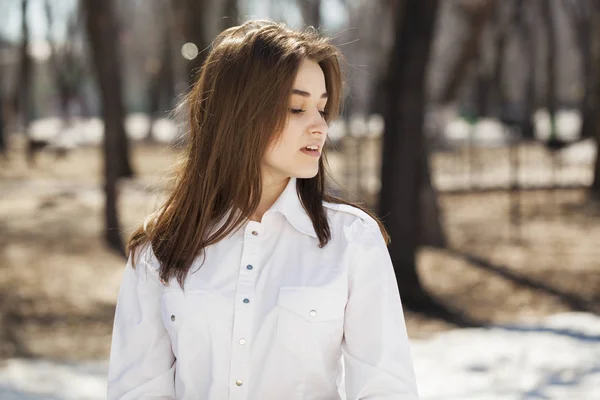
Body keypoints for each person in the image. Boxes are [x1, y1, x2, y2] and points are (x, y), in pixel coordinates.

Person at [107, 19, 418, 400]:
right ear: (239, 114)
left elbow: (386, 388)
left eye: (322, 109)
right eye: (295, 108)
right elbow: (136, 390)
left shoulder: (353, 241)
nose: (319, 126)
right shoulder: (161, 246)